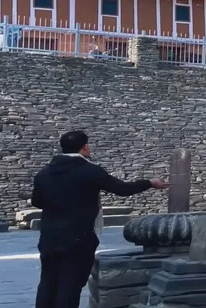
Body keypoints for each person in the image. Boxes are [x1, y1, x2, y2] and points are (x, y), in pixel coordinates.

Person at [32, 131, 167, 308]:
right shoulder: (89, 171)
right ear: (85, 147)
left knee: (48, 283)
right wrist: (149, 183)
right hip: (78, 238)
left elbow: (37, 201)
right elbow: (122, 189)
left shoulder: (44, 173)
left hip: (49, 237)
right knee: (70, 285)